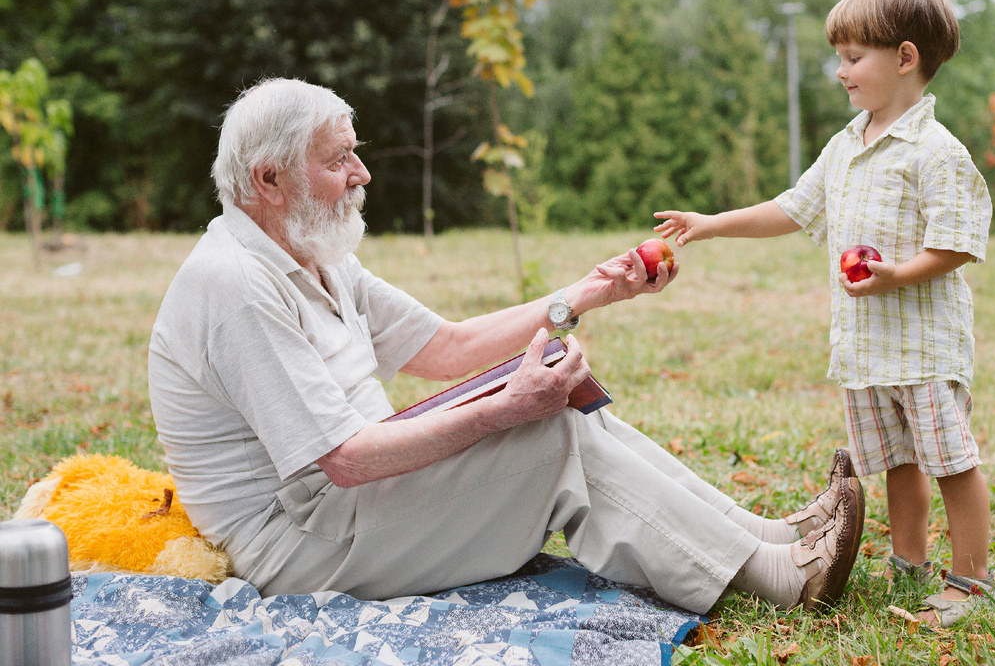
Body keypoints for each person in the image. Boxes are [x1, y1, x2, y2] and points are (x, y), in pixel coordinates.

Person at [147, 76, 865, 616]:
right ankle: (783, 580)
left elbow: (446, 346)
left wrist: (587, 293)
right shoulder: (235, 283)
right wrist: (502, 412)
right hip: (304, 542)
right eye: (339, 161)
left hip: (347, 504)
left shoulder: (313, 254)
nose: (362, 175)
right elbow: (344, 460)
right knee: (544, 436)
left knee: (568, 410)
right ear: (268, 180)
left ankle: (768, 537)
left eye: (355, 155)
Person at [654, 0, 995, 627]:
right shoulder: (846, 146)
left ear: (904, 57)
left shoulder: (935, 151)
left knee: (950, 462)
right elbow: (793, 208)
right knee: (895, 463)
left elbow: (957, 244)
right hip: (868, 352)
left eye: (851, 57)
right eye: (839, 56)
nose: (839, 71)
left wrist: (896, 275)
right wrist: (713, 221)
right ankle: (909, 566)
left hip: (922, 348)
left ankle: (973, 583)